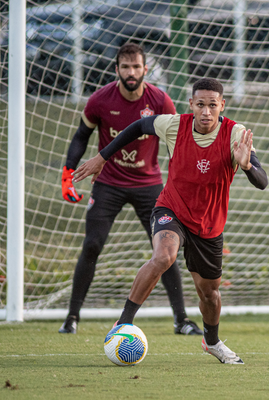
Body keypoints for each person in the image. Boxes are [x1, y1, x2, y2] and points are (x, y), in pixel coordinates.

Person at [72, 78, 268, 364]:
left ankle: (212, 342)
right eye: (200, 104)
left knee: (210, 294)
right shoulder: (174, 124)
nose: (206, 112)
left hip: (209, 225)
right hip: (171, 209)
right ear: (191, 104)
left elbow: (262, 182)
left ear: (222, 106)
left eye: (212, 105)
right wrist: (103, 157)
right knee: (164, 256)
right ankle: (122, 323)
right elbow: (139, 126)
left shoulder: (235, 134)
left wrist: (247, 164)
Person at [59, 43, 202, 336]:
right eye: (125, 67)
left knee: (166, 250)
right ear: (116, 70)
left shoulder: (161, 101)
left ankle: (181, 320)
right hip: (108, 184)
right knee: (92, 245)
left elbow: (180, 143)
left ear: (145, 70)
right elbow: (80, 136)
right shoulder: (99, 100)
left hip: (149, 185)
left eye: (136, 66)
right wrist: (68, 172)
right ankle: (71, 318)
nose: (131, 72)